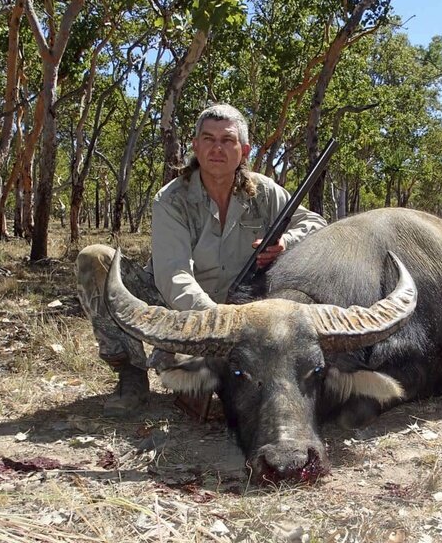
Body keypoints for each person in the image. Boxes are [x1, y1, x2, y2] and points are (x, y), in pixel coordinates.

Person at [76, 103, 327, 417]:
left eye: (227, 140)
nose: (217, 148)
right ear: (195, 146)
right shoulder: (172, 199)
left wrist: (285, 242)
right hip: (181, 309)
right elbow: (173, 275)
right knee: (95, 259)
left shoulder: (263, 192)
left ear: (244, 150)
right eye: (208, 139)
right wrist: (217, 323)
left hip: (246, 312)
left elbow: (316, 224)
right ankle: (131, 374)